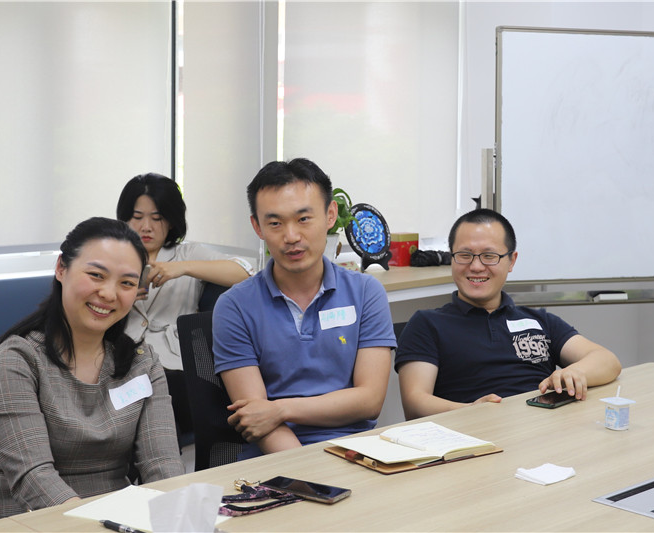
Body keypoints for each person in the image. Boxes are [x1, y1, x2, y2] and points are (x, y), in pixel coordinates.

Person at [0, 217, 184, 523]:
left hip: (119, 521)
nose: (109, 294)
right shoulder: (14, 362)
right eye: (96, 275)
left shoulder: (141, 363)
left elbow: (162, 463)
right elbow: (35, 478)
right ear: (61, 268)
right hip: (30, 523)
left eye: (127, 283)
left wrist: (180, 517)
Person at [212, 158, 397, 458]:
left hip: (355, 453)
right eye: (275, 223)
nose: (291, 237)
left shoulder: (366, 293)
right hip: (277, 458)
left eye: (303, 219)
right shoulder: (234, 306)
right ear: (257, 227)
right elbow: (257, 420)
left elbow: (369, 400)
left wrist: (280, 409)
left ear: (330, 215)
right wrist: (308, 475)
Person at [395, 208, 622, 420]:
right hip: (471, 432)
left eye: (489, 256)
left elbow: (607, 360)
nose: (476, 266)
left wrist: (574, 372)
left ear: (511, 261)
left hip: (541, 428)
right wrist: (471, 411)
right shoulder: (427, 324)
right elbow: (415, 403)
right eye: (464, 255)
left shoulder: (539, 321)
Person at [116, 173, 253, 442]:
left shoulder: (187, 254)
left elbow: (245, 273)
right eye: (137, 217)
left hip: (174, 361)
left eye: (157, 218)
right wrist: (121, 297)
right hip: (123, 356)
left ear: (171, 220)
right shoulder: (112, 255)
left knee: (163, 388)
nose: (146, 227)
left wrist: (182, 269)